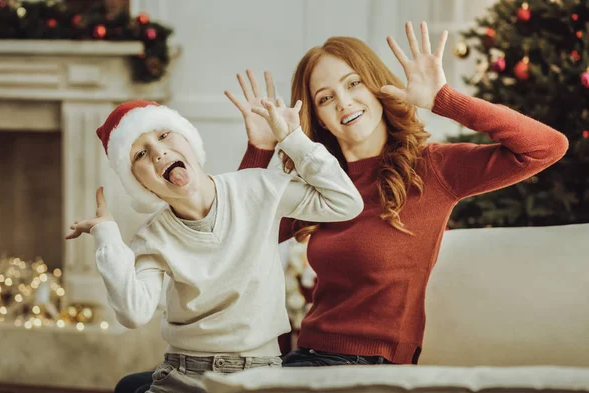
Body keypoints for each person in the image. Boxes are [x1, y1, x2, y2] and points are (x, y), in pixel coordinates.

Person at [237, 21, 569, 367]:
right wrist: (259, 148)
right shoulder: (318, 183)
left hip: (370, 366)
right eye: (325, 98)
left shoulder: (432, 168)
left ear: (377, 87)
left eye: (354, 83)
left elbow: (546, 147)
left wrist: (444, 99)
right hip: (306, 357)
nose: (344, 102)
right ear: (318, 118)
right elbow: (239, 238)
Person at [66, 98, 363, 393]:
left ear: (189, 140)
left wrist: (293, 139)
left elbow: (346, 202)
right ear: (141, 184)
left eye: (163, 135)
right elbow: (134, 313)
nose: (158, 152)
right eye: (140, 154)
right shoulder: (152, 237)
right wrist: (107, 237)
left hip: (258, 375)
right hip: (180, 378)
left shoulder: (258, 188)